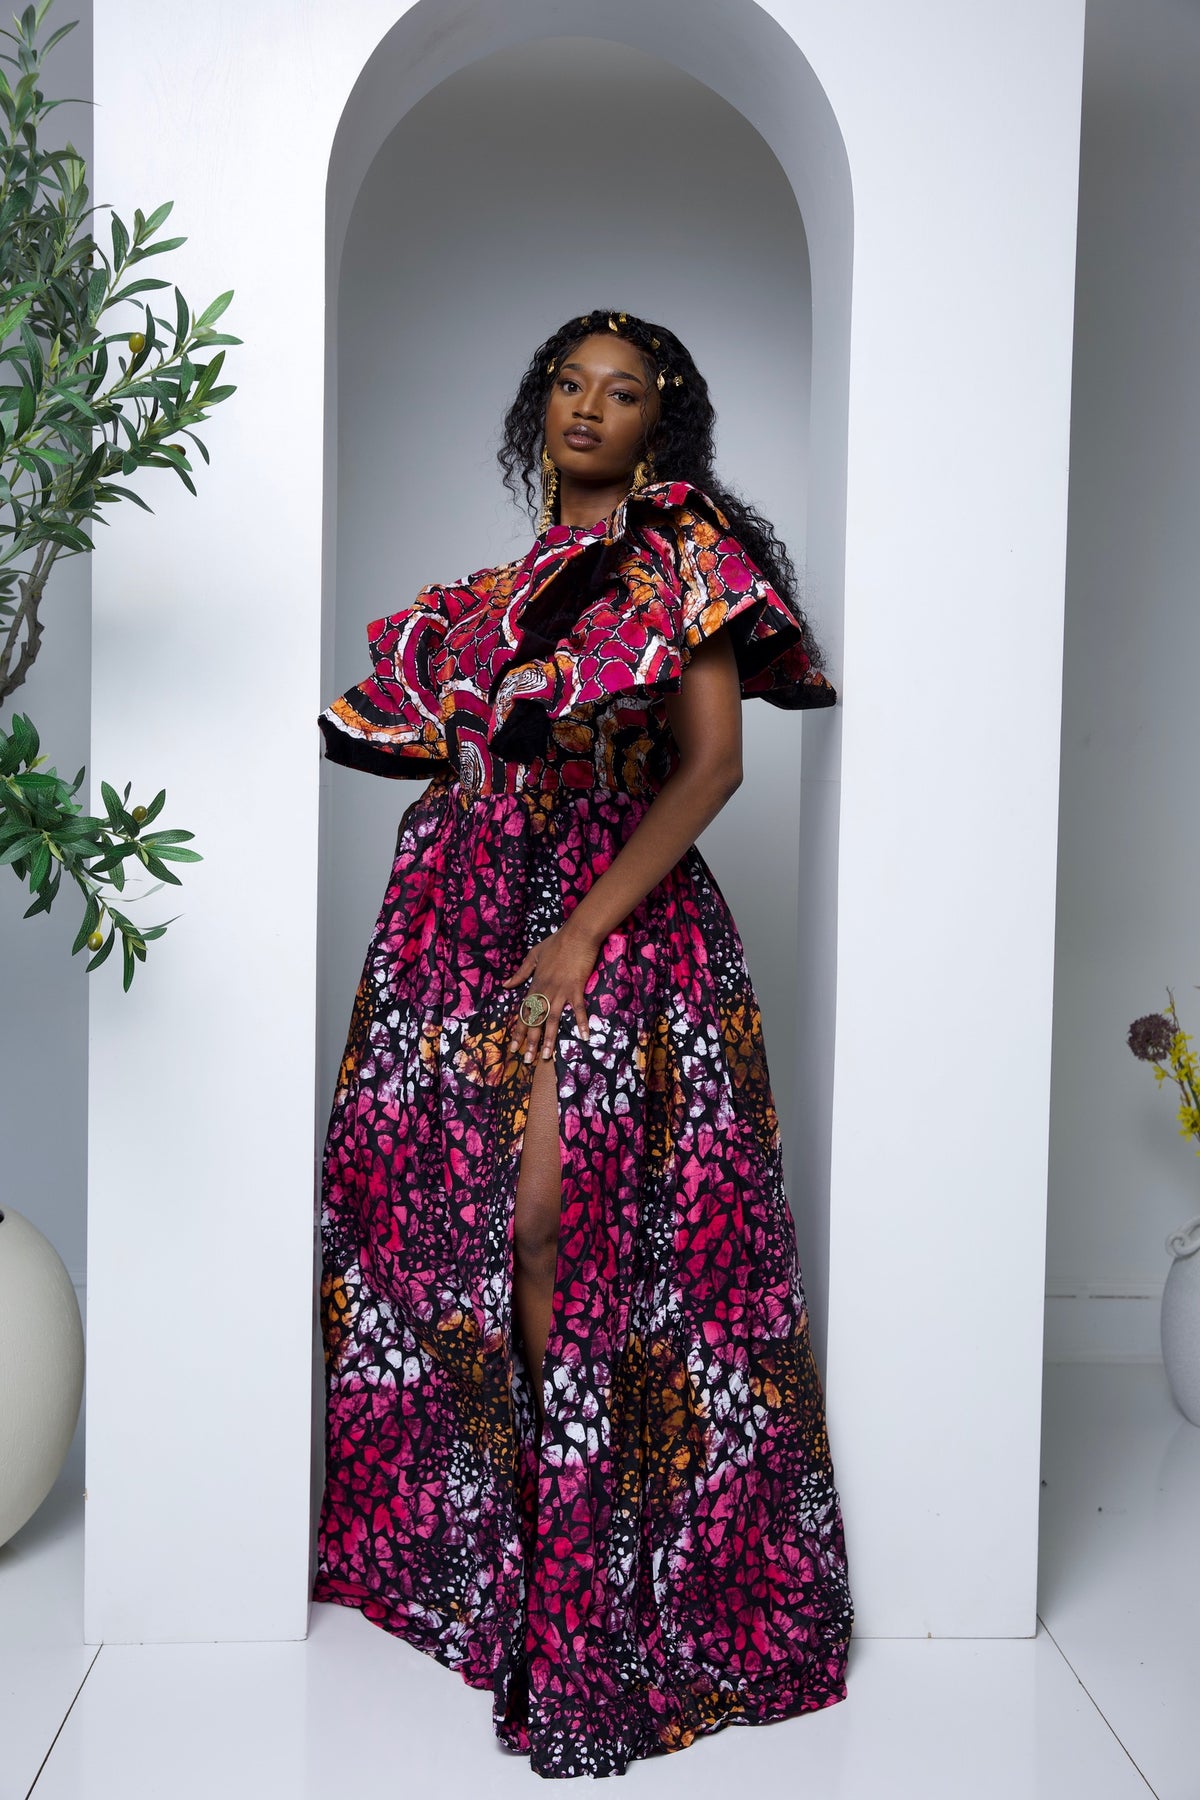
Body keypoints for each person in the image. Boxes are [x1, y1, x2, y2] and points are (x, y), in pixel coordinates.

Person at [311, 308, 854, 1778]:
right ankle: (497, 1556)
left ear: (659, 421)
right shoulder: (496, 601)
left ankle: (590, 1570)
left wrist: (582, 933)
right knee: (440, 1227)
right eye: (568, 383)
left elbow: (715, 765)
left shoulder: (685, 560)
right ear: (538, 405)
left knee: (557, 1218)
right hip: (459, 916)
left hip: (616, 913)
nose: (588, 408)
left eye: (621, 392)